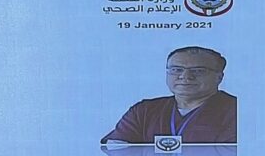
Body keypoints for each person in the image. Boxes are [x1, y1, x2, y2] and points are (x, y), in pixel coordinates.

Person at [101, 46, 237, 144]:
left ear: (219, 77)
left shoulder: (237, 111)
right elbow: (116, 148)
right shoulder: (144, 110)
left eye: (198, 71)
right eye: (176, 70)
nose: (185, 76)